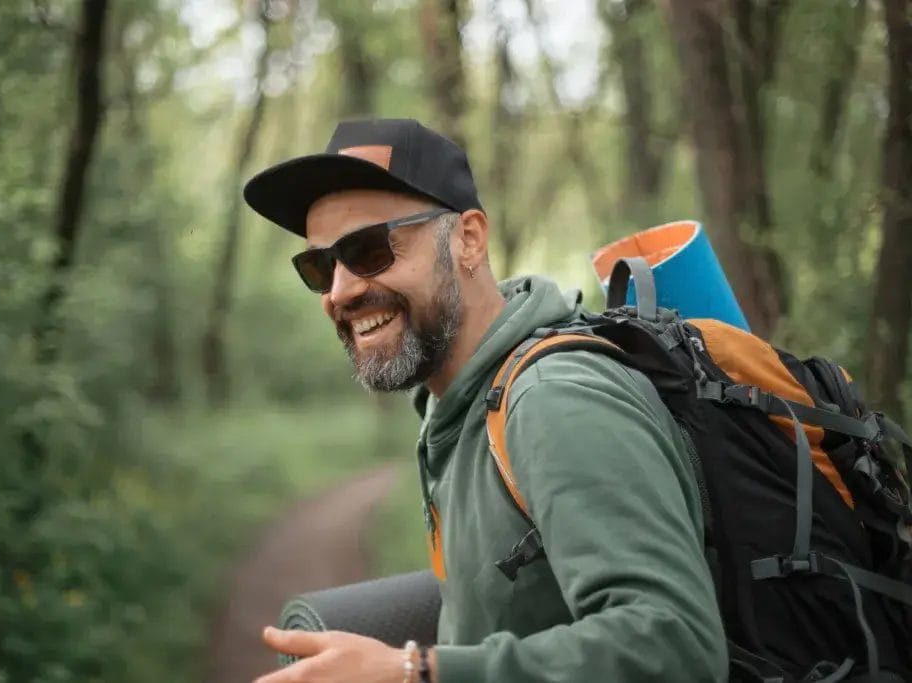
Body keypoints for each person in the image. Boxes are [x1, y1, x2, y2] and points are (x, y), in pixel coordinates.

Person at [242, 118, 728, 683]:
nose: (341, 291)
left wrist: (413, 670)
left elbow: (677, 648)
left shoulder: (553, 402)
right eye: (320, 266)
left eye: (370, 250)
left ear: (468, 239)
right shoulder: (457, 410)